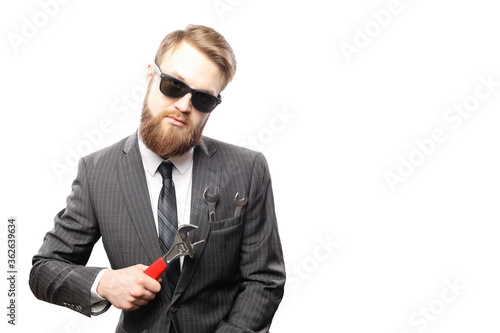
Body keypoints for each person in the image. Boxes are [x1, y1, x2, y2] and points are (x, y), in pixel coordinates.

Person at [29, 24, 285, 333]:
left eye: (203, 99)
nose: (184, 105)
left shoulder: (248, 169)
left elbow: (264, 280)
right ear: (151, 75)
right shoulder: (96, 172)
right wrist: (105, 283)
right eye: (174, 85)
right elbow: (43, 270)